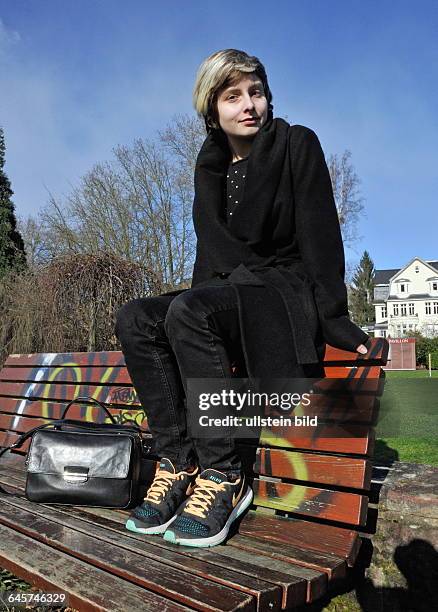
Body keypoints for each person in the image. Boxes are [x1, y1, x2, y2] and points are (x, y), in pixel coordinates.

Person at [115, 49, 369, 548]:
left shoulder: (297, 145)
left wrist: (335, 317)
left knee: (192, 308)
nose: (249, 104)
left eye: (257, 92)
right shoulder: (208, 167)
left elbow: (321, 236)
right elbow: (209, 258)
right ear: (213, 110)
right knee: (137, 317)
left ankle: (225, 476)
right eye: (233, 96)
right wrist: (183, 311)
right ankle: (178, 460)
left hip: (282, 288)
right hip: (229, 288)